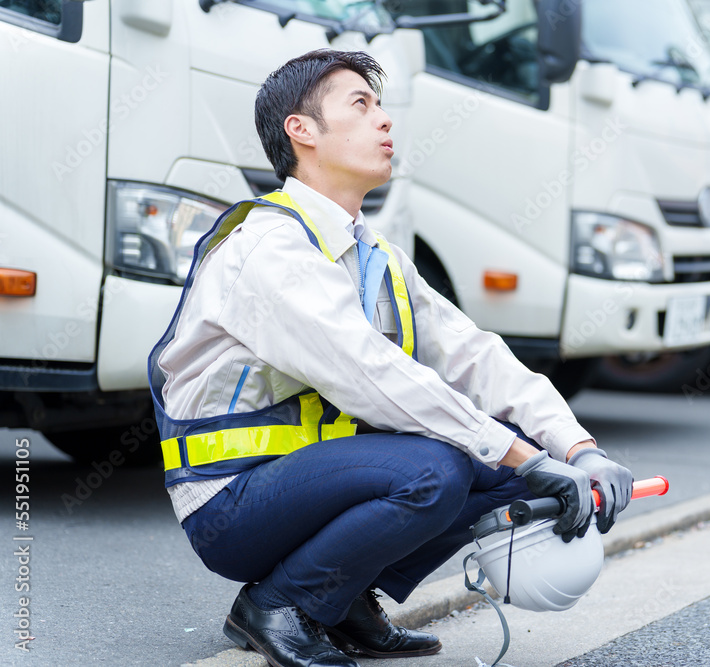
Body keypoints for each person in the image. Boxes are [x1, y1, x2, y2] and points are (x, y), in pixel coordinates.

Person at [148, 49, 633, 667]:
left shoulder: (373, 254)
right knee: (441, 466)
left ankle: (342, 599)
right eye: (361, 104)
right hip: (231, 502)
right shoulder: (271, 250)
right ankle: (280, 605)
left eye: (380, 105)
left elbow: (475, 355)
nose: (384, 121)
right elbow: (372, 376)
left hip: (314, 483)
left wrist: (576, 448)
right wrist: (524, 455)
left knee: (505, 462)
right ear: (302, 132)